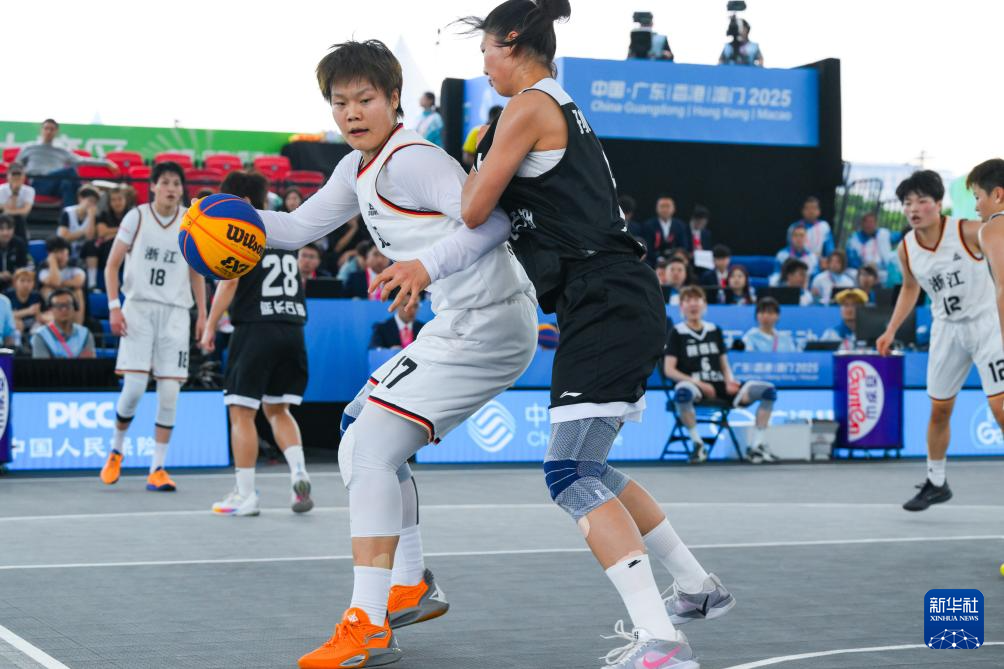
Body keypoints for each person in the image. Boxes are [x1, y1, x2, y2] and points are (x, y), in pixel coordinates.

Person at [229, 39, 537, 668]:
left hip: (490, 322)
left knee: (368, 448)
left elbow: (494, 220)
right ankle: (410, 583)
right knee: (355, 432)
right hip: (460, 322)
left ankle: (367, 622)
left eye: (364, 99)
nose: (351, 112)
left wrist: (423, 266)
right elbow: (297, 227)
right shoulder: (357, 168)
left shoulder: (413, 160)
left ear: (394, 99)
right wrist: (227, 218)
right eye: (339, 102)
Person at [462, 4, 731, 665]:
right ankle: (696, 587)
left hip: (605, 297)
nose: (484, 66)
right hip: (610, 297)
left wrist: (476, 157)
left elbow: (471, 209)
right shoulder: (556, 106)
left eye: (486, 51)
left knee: (568, 473)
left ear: (512, 42)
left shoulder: (527, 106)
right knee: (592, 468)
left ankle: (661, 640)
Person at [877, 170, 1004, 513]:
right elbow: (910, 288)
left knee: (1000, 408)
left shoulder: (968, 231)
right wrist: (891, 329)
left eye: (921, 201)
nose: (913, 209)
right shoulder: (906, 248)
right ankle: (936, 482)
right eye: (907, 203)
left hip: (987, 324)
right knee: (939, 410)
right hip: (947, 330)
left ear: (938, 204)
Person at [199, 170, 313, 517]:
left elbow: (229, 283)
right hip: (292, 328)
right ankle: (299, 475)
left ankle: (245, 494)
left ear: (244, 201)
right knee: (278, 410)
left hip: (255, 328)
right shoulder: (283, 228)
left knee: (241, 412)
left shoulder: (242, 228)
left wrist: (209, 325)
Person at [98, 162, 208, 493]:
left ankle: (157, 467)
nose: (172, 188)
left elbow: (196, 271)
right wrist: (114, 306)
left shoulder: (190, 221)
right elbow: (111, 265)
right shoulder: (137, 217)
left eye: (177, 183)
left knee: (170, 392)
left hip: (175, 312)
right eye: (166, 182)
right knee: (133, 389)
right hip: (139, 309)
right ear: (153, 186)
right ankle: (116, 449)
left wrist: (203, 314)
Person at [664, 286, 779, 465]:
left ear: (705, 305)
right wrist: (700, 384)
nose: (693, 304)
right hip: (694, 386)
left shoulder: (714, 330)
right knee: (682, 394)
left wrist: (729, 381)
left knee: (768, 391)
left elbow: (724, 363)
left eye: (697, 300)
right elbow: (669, 370)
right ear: (681, 307)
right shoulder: (677, 332)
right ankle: (698, 444)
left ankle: (756, 445)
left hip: (720, 384)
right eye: (688, 300)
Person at [14, 119, 79, 207]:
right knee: (70, 171)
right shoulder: (29, 147)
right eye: (46, 128)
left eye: (52, 129)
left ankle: (69, 214)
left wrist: (99, 161)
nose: (48, 132)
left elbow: (80, 160)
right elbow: (16, 164)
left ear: (56, 132)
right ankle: (84, 193)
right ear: (41, 130)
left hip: (56, 184)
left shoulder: (62, 149)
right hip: (37, 182)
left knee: (67, 184)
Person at [83, 185, 134, 290]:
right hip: (105, 250)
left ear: (126, 200)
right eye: (113, 200)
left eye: (119, 199)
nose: (117, 203)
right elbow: (101, 232)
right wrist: (123, 230)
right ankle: (92, 284)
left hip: (127, 249)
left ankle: (120, 282)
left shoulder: (133, 214)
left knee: (114, 243)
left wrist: (111, 234)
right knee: (90, 245)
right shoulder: (104, 214)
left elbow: (134, 232)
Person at [30, 288, 91, 358]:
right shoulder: (41, 335)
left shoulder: (85, 334)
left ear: (75, 307)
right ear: (50, 309)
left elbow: (89, 362)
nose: (64, 309)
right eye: (58, 305)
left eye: (68, 304)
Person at [38, 236, 85, 323]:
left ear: (68, 252)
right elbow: (56, 282)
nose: (59, 256)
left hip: (72, 299)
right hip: (52, 302)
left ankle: (77, 325)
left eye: (62, 251)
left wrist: (59, 284)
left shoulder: (76, 263)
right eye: (56, 252)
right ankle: (57, 322)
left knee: (78, 291)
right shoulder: (43, 267)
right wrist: (52, 263)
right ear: (49, 254)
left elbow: (78, 282)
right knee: (45, 289)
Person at [845, 212, 896, 282]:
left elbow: (898, 237)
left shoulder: (882, 234)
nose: (869, 225)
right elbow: (852, 260)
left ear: (875, 224)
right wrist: (867, 268)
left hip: (881, 272)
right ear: (862, 224)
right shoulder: (854, 239)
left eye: (872, 222)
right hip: (861, 271)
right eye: (867, 222)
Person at [640, 195, 688, 266]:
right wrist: (658, 258)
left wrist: (675, 257)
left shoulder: (680, 226)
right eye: (662, 206)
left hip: (674, 260)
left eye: (668, 206)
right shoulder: (648, 225)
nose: (665, 209)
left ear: (674, 208)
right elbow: (647, 247)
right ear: (656, 208)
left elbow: (683, 246)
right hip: (654, 261)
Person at [786, 196, 833, 268]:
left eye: (814, 208)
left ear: (819, 211)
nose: (811, 211)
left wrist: (827, 261)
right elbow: (790, 249)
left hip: (818, 265)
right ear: (802, 211)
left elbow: (830, 250)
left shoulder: (824, 226)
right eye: (807, 208)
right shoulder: (794, 227)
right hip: (797, 263)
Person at [57, 184, 99, 260]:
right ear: (80, 198)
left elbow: (90, 237)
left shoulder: (94, 216)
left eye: (94, 202)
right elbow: (63, 237)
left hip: (84, 251)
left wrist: (91, 217)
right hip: (67, 250)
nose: (92, 204)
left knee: (91, 246)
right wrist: (83, 232)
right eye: (90, 200)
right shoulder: (67, 212)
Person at [7, 267, 44, 343]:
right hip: (14, 329)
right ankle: (16, 346)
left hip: (32, 327)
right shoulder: (8, 296)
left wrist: (38, 315)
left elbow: (46, 315)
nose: (26, 284)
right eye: (22, 280)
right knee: (17, 323)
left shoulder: (37, 296)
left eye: (29, 281)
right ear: (15, 282)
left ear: (33, 283)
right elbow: (5, 316)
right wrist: (28, 311)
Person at [0, 162, 35, 241]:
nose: (16, 178)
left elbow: (25, 211)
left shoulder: (30, 190)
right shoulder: (1, 190)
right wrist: (14, 192)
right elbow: (6, 214)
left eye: (19, 175)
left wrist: (15, 192)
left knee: (18, 218)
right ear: (8, 176)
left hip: (20, 222)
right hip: (2, 221)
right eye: (14, 174)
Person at [0, 215, 31, 290]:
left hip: (14, 283)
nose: (5, 233)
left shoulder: (19, 243)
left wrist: (14, 274)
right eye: (1, 229)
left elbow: (25, 266)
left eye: (9, 228)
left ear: (13, 229)